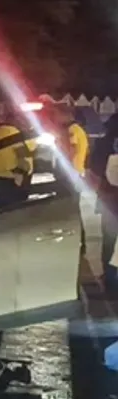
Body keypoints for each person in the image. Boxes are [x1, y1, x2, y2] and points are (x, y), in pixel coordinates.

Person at [89, 114, 118, 293]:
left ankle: (110, 281)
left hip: (109, 199)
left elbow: (94, 168)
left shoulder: (103, 143)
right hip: (109, 198)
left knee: (108, 241)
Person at [0, 114, 36, 209]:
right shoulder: (14, 133)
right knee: (17, 207)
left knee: (1, 206)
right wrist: (22, 174)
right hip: (13, 177)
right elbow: (22, 154)